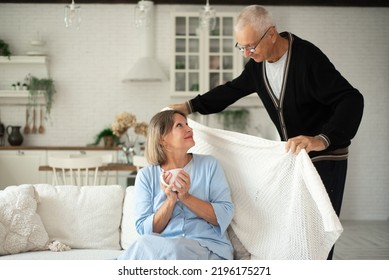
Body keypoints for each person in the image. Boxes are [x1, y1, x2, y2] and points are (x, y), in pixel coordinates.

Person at [169, 5, 364, 259]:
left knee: (318, 230)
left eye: (251, 46)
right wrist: (189, 106)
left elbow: (351, 99)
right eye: (242, 48)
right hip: (295, 157)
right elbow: (232, 90)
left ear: (271, 34)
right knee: (296, 228)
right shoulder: (257, 66)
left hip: (326, 155)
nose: (248, 54)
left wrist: (320, 139)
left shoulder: (307, 58)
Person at [118, 109, 234, 260]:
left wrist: (186, 197)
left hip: (206, 247)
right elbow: (145, 230)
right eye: (180, 125)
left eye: (187, 124)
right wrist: (170, 200)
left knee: (176, 248)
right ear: (161, 138)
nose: (189, 128)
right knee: (143, 244)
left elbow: (224, 214)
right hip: (162, 250)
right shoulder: (146, 176)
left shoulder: (209, 165)